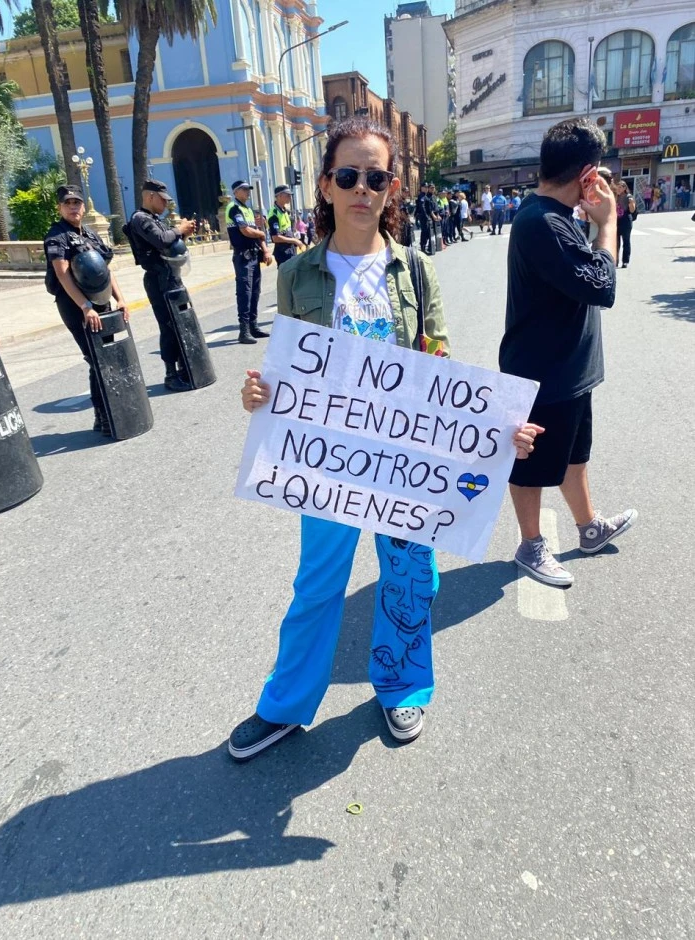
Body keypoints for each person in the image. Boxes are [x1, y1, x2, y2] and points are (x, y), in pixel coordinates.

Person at [229, 117, 541, 761]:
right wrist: (259, 395)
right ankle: (285, 705)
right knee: (317, 583)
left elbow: (441, 368)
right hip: (329, 464)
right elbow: (290, 367)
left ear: (391, 187)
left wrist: (494, 428)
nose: (361, 188)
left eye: (375, 177)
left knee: (409, 575)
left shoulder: (415, 269)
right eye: (348, 175)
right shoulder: (298, 274)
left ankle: (402, 687)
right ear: (326, 185)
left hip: (402, 463)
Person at [499, 116, 637, 588]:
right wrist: (608, 221)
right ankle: (530, 543)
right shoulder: (542, 224)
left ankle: (588, 527)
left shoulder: (556, 218)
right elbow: (602, 286)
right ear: (586, 174)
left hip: (571, 369)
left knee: (575, 455)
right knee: (532, 464)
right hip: (543, 372)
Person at [44, 184, 129, 433]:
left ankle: (113, 410)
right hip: (75, 306)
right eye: (68, 203)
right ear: (60, 207)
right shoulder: (56, 236)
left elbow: (105, 270)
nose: (73, 207)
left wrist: (120, 299)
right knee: (95, 358)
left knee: (106, 357)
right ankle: (102, 416)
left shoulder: (90, 234)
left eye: (77, 203)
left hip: (100, 302)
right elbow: (62, 275)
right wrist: (85, 306)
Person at [126, 179, 196, 391]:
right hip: (158, 279)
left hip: (170, 276)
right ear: (150, 197)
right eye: (162, 200)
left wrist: (184, 233)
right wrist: (179, 229)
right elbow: (161, 240)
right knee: (168, 326)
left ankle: (185, 368)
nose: (165, 204)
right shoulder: (140, 219)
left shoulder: (154, 218)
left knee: (180, 323)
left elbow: (170, 244)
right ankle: (170, 374)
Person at [226, 180, 273, 345]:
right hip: (242, 256)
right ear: (236, 192)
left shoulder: (248, 210)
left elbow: (258, 233)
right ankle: (243, 330)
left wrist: (265, 249)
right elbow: (245, 230)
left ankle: (253, 326)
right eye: (244, 190)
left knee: (255, 291)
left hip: (254, 256)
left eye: (248, 190)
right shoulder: (234, 208)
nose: (247, 192)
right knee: (244, 292)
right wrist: (259, 233)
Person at [266, 185, 302, 268]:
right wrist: (294, 240)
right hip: (283, 251)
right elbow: (275, 237)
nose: (290, 197)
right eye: (287, 195)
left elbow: (287, 229)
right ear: (279, 196)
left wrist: (295, 234)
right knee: (287, 278)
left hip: (290, 249)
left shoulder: (284, 211)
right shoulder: (274, 213)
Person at [614, 179, 636, 269]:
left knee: (626, 241)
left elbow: (632, 210)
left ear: (624, 188)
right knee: (616, 242)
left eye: (620, 187)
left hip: (626, 220)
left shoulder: (629, 196)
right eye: (617, 187)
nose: (618, 189)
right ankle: (615, 260)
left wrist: (631, 203)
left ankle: (625, 261)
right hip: (616, 221)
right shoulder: (614, 196)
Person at [415, 182, 434, 254]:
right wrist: (426, 217)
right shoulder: (421, 196)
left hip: (426, 216)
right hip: (423, 217)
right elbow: (422, 207)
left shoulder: (425, 196)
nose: (426, 188)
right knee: (425, 232)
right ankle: (423, 247)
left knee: (426, 232)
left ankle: (424, 246)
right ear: (421, 188)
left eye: (427, 187)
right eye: (425, 187)